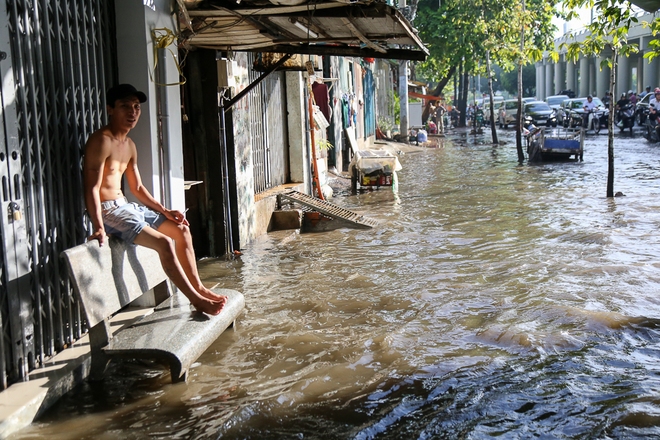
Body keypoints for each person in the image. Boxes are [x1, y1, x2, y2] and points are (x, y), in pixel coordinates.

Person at [83, 84, 227, 316]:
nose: (132, 112)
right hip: (109, 211)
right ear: (110, 109)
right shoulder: (101, 140)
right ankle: (196, 300)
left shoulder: (129, 145)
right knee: (165, 242)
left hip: (127, 207)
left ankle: (199, 288)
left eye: (136, 107)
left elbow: (137, 187)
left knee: (181, 229)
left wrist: (165, 210)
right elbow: (91, 187)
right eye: (125, 107)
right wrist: (99, 226)